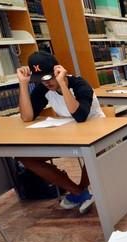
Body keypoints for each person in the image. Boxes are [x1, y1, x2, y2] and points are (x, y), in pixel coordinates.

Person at [16, 51, 104, 213]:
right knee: (26, 158)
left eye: (49, 77)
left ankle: (80, 192)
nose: (46, 83)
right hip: (69, 135)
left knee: (92, 151)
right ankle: (78, 192)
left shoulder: (79, 84)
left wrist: (63, 84)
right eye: (40, 79)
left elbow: (79, 116)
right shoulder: (44, 88)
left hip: (97, 135)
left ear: (57, 71)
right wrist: (23, 84)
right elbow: (27, 117)